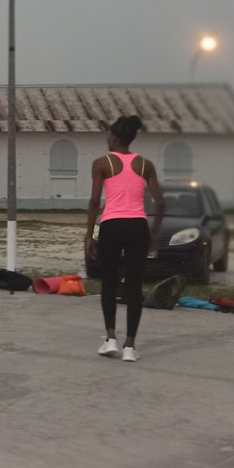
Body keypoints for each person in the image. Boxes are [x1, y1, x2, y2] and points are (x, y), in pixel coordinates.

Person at [85, 115, 164, 363]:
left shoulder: (102, 163)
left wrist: (89, 234)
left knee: (108, 283)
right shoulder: (145, 165)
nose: (107, 140)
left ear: (116, 137)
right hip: (137, 227)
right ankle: (130, 345)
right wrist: (153, 234)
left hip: (111, 226)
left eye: (109, 135)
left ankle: (110, 340)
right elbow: (160, 202)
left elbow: (95, 202)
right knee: (134, 286)